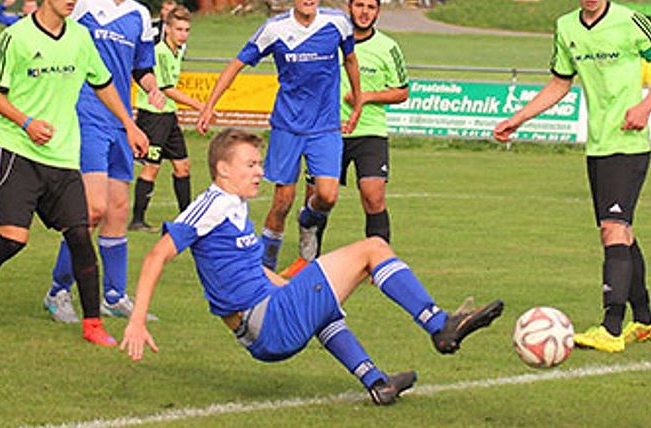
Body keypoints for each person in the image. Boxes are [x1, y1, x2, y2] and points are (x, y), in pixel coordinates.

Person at [120, 129, 504, 405]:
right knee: (374, 248)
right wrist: (137, 319)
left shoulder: (233, 208)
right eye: (251, 164)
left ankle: (378, 383)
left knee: (323, 305)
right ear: (222, 170)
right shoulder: (212, 204)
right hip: (269, 323)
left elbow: (255, 272)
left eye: (260, 163)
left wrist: (291, 282)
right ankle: (440, 326)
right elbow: (157, 255)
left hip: (263, 328)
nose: (259, 171)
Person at [0, 0, 149, 346]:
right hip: (18, 152)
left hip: (62, 156)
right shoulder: (16, 36)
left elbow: (103, 82)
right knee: (13, 240)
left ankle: (92, 323)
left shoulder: (79, 38)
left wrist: (129, 124)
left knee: (80, 234)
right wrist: (26, 122)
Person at [493, 0, 651, 353]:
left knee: (613, 230)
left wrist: (646, 106)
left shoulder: (630, 22)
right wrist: (519, 117)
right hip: (597, 146)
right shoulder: (566, 29)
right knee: (621, 233)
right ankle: (644, 322)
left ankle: (611, 328)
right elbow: (560, 83)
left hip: (629, 145)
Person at [196, 0, 363, 280]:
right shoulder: (274, 29)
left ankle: (308, 219)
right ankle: (264, 271)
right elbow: (236, 64)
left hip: (325, 126)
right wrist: (209, 105)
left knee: (327, 195)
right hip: (287, 126)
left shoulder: (338, 23)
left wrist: (358, 100)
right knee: (282, 201)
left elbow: (351, 60)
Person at [44, 0, 166, 324]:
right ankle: (58, 291)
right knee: (92, 208)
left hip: (122, 121)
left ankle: (113, 295)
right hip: (84, 117)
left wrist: (151, 86)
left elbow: (141, 66)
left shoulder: (141, 15)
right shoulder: (82, 3)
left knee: (116, 209)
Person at [293, 0, 409, 272]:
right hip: (327, 130)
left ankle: (381, 263)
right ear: (349, 7)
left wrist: (366, 96)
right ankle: (308, 261)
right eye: (359, 5)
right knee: (320, 196)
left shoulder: (388, 47)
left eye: (371, 7)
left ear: (378, 12)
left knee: (373, 195)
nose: (365, 12)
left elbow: (402, 91)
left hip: (370, 131)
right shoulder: (328, 39)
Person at [129, 5, 203, 232]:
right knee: (152, 168)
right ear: (167, 29)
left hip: (168, 117)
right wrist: (199, 105)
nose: (183, 34)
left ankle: (186, 218)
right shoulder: (159, 51)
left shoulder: (179, 50)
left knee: (183, 166)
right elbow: (167, 88)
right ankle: (137, 220)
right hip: (153, 117)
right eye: (179, 29)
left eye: (187, 30)